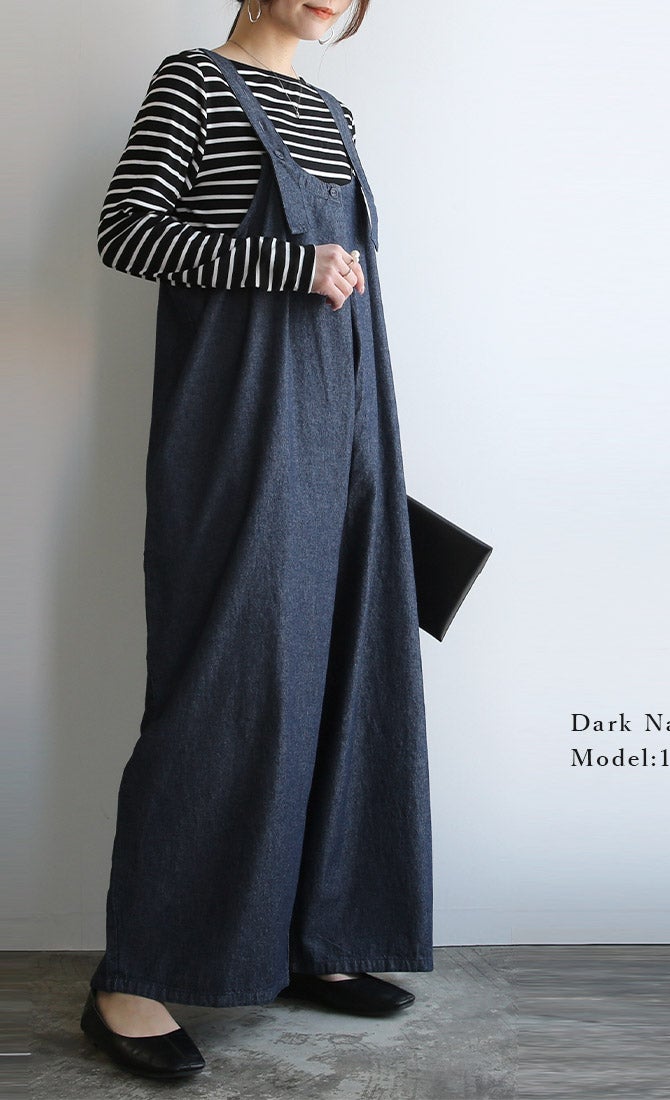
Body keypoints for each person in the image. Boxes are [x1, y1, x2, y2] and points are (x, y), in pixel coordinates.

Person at [80, 0, 434, 1080]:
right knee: (229, 686)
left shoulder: (334, 113)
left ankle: (314, 937)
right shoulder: (192, 80)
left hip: (350, 422)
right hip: (239, 430)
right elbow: (127, 230)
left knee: (350, 672)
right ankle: (132, 979)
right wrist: (290, 266)